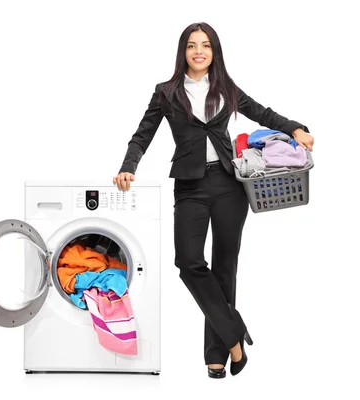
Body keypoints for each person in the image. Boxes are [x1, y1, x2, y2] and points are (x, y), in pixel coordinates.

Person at [112, 22, 314, 379]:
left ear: (214, 51)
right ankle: (235, 334)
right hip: (190, 186)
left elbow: (264, 114)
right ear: (183, 52)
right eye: (192, 45)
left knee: (224, 267)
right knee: (188, 262)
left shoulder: (226, 88)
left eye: (205, 45)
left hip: (227, 184)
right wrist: (128, 166)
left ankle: (217, 354)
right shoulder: (166, 92)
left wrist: (295, 127)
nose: (199, 51)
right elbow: (142, 134)